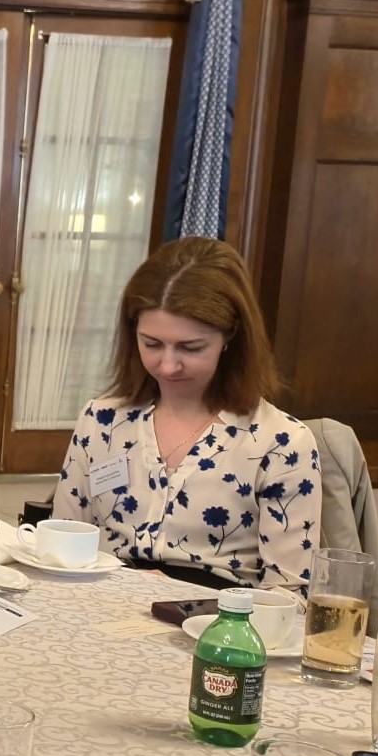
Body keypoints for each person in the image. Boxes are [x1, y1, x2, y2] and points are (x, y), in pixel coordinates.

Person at [52, 237, 321, 590]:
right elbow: (59, 550)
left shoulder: (281, 443)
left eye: (191, 348)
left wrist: (174, 595)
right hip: (104, 603)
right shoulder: (102, 420)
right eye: (151, 344)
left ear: (230, 336)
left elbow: (289, 596)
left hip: (220, 616)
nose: (168, 366)